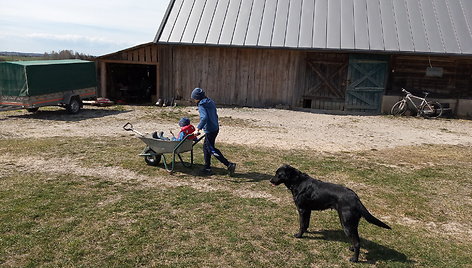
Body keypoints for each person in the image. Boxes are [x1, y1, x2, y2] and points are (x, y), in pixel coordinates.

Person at [191, 87, 236, 176]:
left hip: (210, 130)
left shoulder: (202, 105)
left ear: (197, 98)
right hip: (215, 127)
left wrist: (198, 129)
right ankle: (207, 167)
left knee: (211, 149)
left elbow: (204, 118)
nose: (194, 100)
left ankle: (229, 164)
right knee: (206, 147)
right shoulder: (210, 101)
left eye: (194, 98)